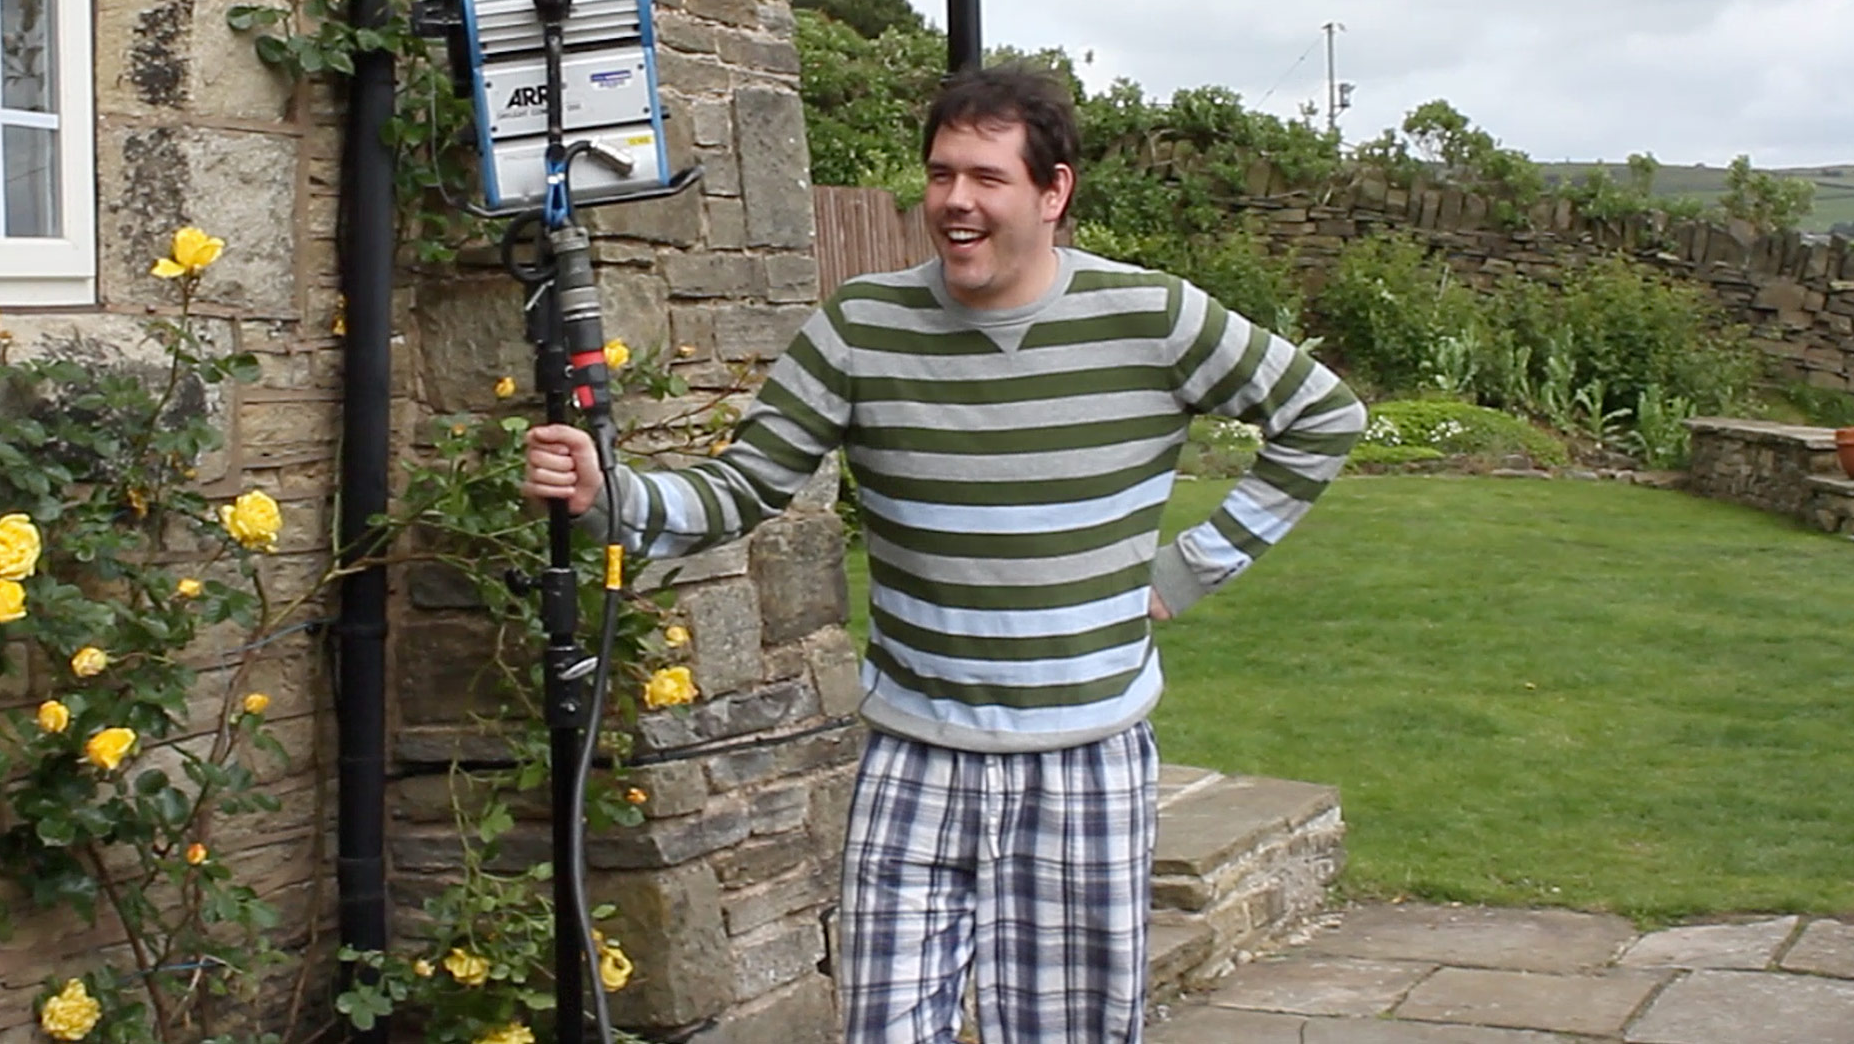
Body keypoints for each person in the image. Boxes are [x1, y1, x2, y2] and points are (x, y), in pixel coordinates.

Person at [522, 66, 1364, 1043]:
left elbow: (1322, 415)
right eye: (939, 174)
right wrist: (609, 494)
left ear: (1052, 192)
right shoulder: (860, 327)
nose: (955, 200)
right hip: (915, 754)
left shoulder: (1153, 316)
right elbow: (741, 487)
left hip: (1085, 760)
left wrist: (1187, 569)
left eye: (986, 177)